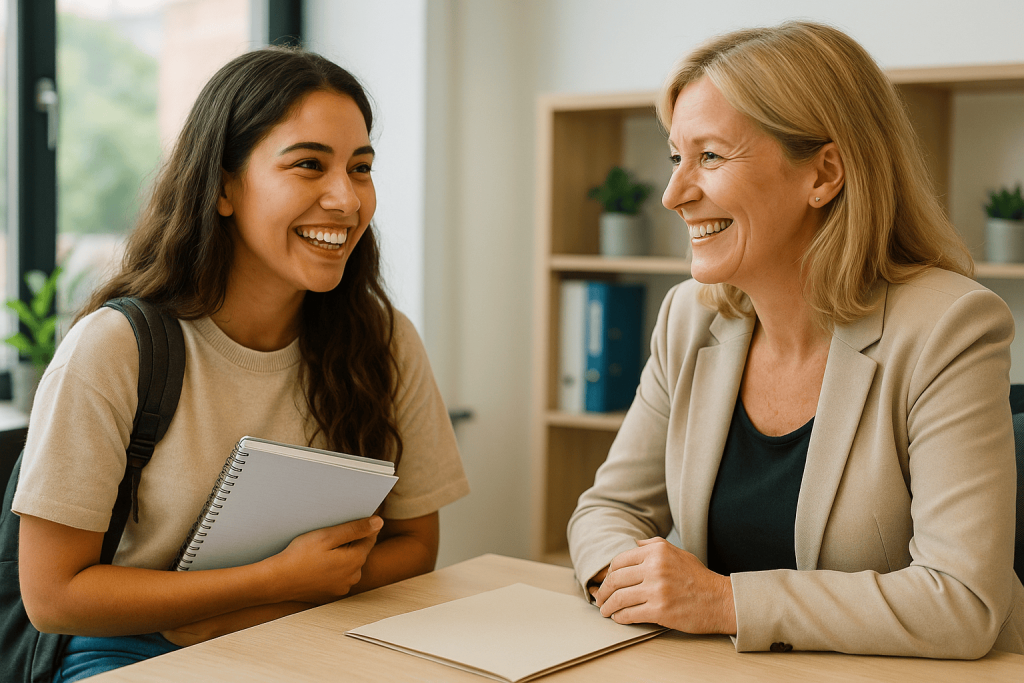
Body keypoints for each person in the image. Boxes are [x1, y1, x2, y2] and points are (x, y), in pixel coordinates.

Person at [567, 21, 1024, 658]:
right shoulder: (687, 317)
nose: (674, 194)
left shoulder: (951, 327)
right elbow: (606, 509)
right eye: (677, 157)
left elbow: (961, 601)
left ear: (824, 174)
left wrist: (723, 602)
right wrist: (625, 580)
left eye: (711, 157)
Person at [13, 47, 470, 681]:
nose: (346, 198)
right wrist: (267, 582)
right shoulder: (114, 347)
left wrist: (262, 605)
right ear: (224, 186)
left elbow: (416, 543)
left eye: (360, 167)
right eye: (309, 164)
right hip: (131, 648)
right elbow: (55, 598)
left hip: (308, 625)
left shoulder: (384, 339)